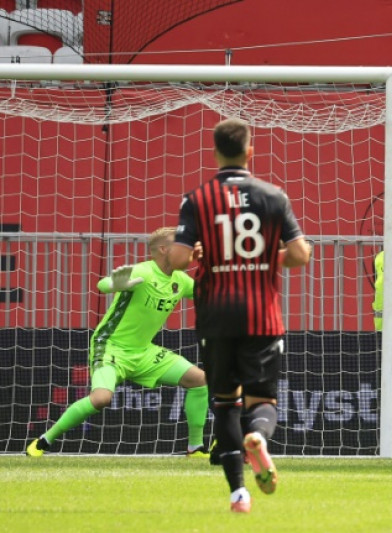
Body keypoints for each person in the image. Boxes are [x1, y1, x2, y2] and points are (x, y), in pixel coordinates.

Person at [168, 117, 312, 513]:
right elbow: (300, 254)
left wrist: (202, 252)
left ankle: (238, 493)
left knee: (224, 403)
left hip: (215, 315)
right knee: (262, 400)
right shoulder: (273, 196)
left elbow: (178, 258)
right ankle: (259, 438)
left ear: (215, 152)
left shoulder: (197, 199)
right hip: (261, 315)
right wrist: (268, 256)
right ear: (251, 151)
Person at [26, 227, 210, 459]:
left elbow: (209, 292)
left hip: (143, 352)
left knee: (199, 380)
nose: (186, 247)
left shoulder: (180, 280)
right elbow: (103, 285)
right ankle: (45, 440)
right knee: (101, 399)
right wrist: (115, 285)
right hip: (111, 346)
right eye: (180, 243)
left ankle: (195, 448)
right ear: (164, 249)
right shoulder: (143, 271)